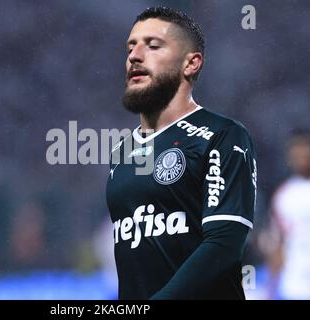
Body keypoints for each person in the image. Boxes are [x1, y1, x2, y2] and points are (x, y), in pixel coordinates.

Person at [105, 7, 257, 299]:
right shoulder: (122, 151)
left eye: (153, 45)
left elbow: (224, 241)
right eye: (131, 46)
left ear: (191, 63)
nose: (134, 56)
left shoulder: (222, 135)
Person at [266, 129, 310, 300]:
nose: (302, 157)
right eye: (297, 152)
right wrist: (272, 286)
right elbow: (278, 242)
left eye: (307, 150)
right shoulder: (284, 195)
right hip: (294, 284)